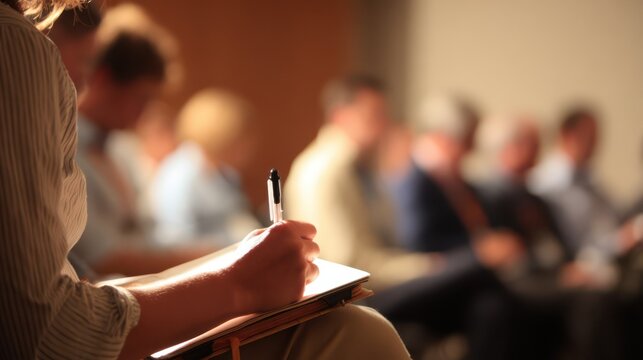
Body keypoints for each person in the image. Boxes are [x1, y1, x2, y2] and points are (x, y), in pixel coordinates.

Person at [0, 1, 411, 358]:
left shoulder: (121, 154)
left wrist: (230, 266)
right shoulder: (14, 46)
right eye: (85, 62)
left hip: (112, 294)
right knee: (359, 333)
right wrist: (234, 278)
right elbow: (50, 329)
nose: (80, 82)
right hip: (101, 308)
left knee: (357, 325)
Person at [70, 4, 206, 276]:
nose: (146, 112)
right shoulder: (65, 148)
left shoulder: (123, 149)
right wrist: (210, 259)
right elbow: (101, 259)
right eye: (142, 98)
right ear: (103, 80)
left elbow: (147, 238)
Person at [285, 74, 435, 290]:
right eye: (375, 115)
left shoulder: (361, 166)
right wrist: (426, 267)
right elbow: (348, 263)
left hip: (374, 281)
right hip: (351, 293)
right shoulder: (325, 171)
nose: (384, 125)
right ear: (340, 117)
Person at [151, 88, 262, 248]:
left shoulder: (226, 172)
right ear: (222, 134)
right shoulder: (180, 175)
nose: (250, 146)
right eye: (242, 137)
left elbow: (236, 218)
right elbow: (176, 242)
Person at [528, 108, 625, 258]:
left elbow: (613, 219)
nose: (594, 143)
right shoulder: (543, 183)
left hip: (603, 262)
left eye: (595, 137)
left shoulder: (591, 179)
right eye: (586, 136)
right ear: (565, 134)